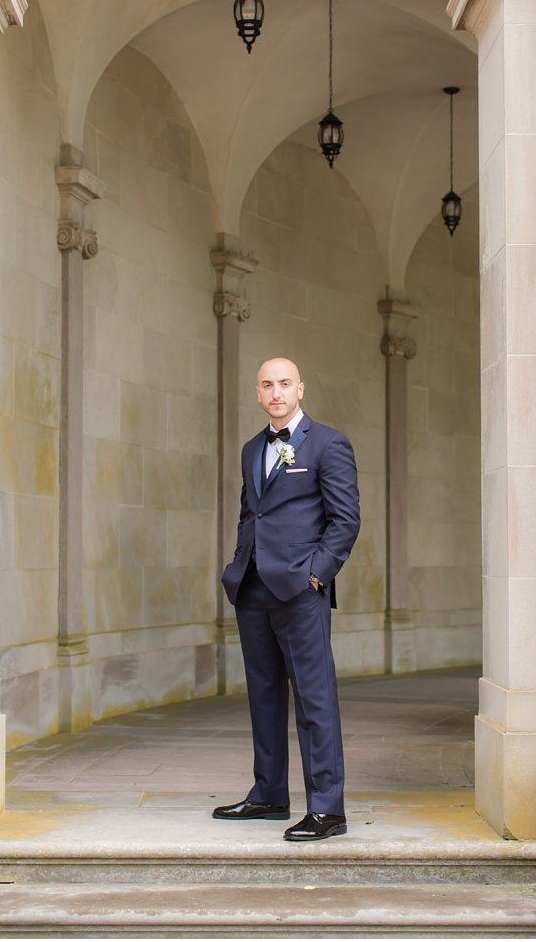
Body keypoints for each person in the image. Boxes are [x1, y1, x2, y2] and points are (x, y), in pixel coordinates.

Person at [214, 357, 360, 843]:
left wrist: (316, 576)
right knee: (264, 695)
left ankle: (327, 808)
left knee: (314, 697)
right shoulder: (251, 448)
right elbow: (249, 513)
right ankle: (270, 793)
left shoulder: (328, 443)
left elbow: (345, 520)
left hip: (301, 591)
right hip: (252, 589)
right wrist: (239, 564)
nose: (276, 392)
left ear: (301, 388)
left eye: (284, 384)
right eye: (266, 385)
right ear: (257, 393)